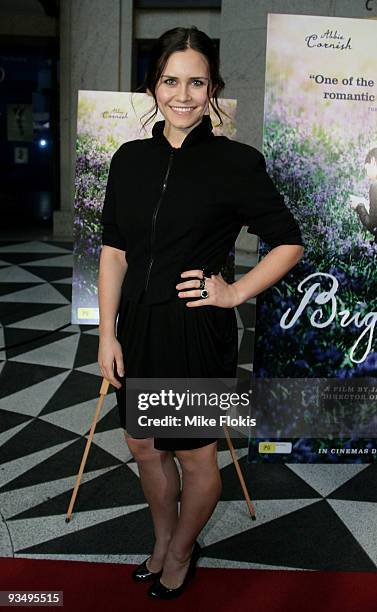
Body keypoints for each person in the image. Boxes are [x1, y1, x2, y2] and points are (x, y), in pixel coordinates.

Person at [97, 26, 304, 600]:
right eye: (170, 80)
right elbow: (114, 251)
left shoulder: (236, 162)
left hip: (195, 328)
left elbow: (288, 240)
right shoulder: (129, 158)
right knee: (144, 446)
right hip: (137, 327)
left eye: (196, 81)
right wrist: (105, 334)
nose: (182, 94)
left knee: (194, 454)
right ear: (153, 85)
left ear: (213, 88)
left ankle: (184, 550)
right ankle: (164, 539)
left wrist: (234, 294)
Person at [349, 147, 377, 243]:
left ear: (373, 161)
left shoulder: (375, 186)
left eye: (366, 169)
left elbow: (373, 226)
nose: (367, 175)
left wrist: (359, 207)